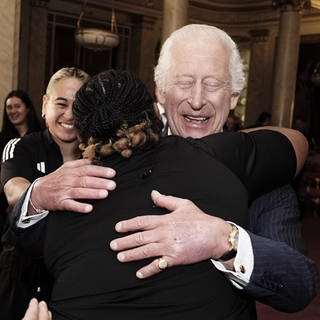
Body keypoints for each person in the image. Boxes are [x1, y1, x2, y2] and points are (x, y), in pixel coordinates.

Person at [7, 24, 318, 314]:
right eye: (184, 83)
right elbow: (32, 245)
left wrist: (226, 240)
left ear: (233, 97)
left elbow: (299, 285)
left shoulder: (265, 175)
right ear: (160, 92)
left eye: (212, 85)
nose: (197, 101)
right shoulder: (106, 163)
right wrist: (37, 195)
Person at [0, 67, 114, 320]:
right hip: (22, 275)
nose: (70, 114)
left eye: (80, 105)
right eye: (61, 103)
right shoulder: (21, 146)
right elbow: (14, 191)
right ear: (44, 104)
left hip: (79, 278)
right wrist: (47, 190)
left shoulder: (105, 157)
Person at [0, 90, 43, 231]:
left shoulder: (40, 138)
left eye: (17, 106)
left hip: (36, 211)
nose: (13, 111)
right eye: (9, 107)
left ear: (27, 108)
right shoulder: (3, 140)